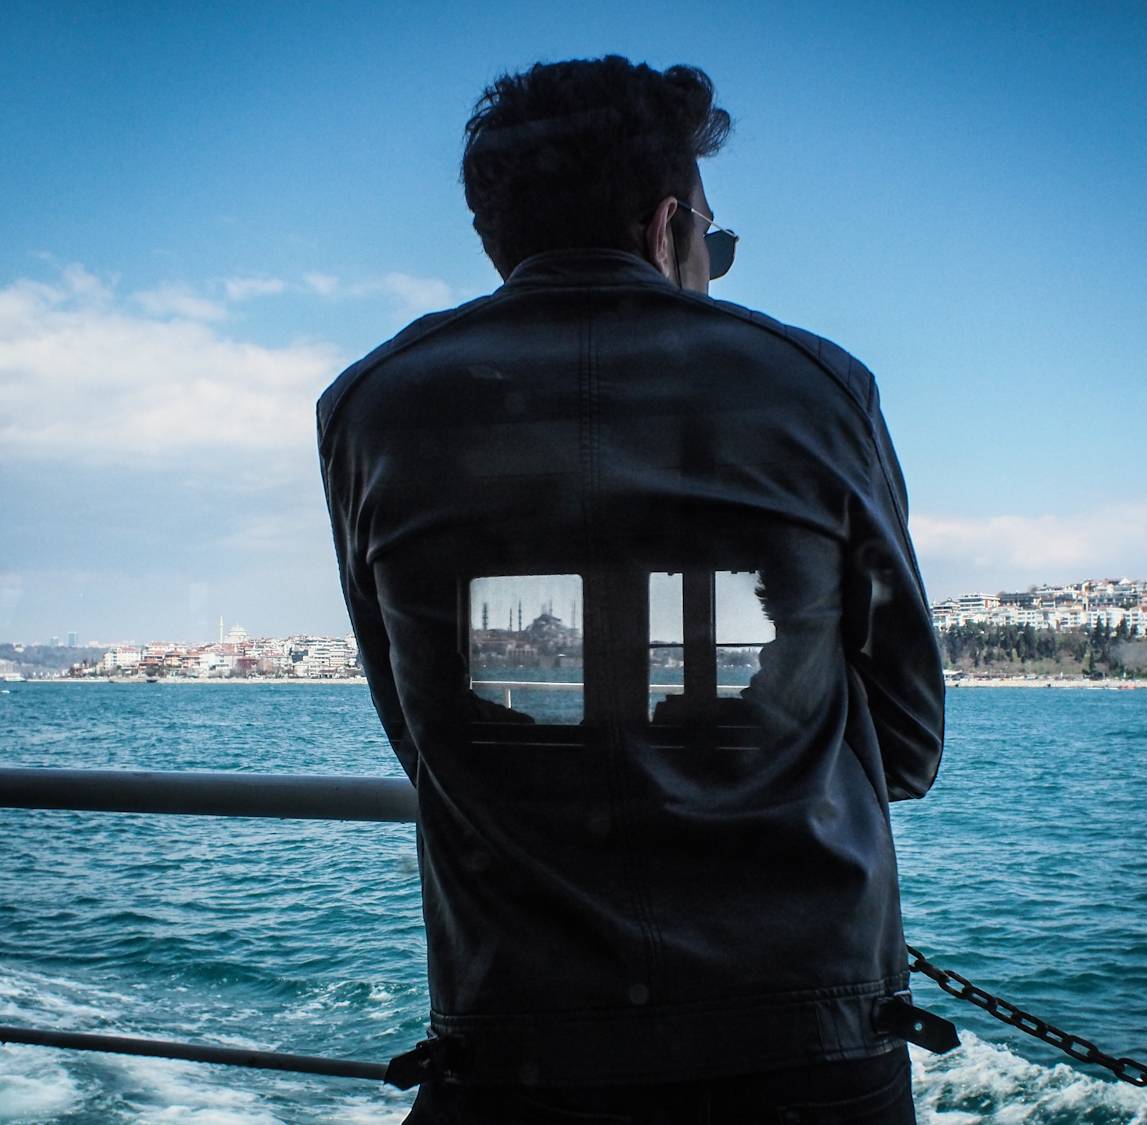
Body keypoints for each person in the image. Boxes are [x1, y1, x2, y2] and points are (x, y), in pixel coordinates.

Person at [318, 55, 945, 1125]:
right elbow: (910, 740)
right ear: (667, 226)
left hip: (516, 1047)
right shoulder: (816, 388)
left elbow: (419, 732)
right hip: (804, 1045)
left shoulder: (369, 408)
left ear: (497, 238)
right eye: (715, 244)